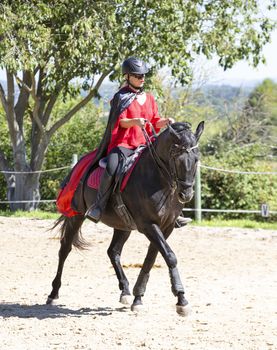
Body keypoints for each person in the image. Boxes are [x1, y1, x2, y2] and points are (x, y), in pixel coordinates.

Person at [86, 57, 191, 227]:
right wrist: (135, 121)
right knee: (112, 168)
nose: (142, 78)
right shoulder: (120, 97)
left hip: (146, 145)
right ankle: (98, 206)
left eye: (143, 75)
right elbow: (119, 122)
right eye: (137, 76)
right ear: (127, 76)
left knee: (169, 167)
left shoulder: (149, 98)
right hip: (124, 145)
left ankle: (174, 211)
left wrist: (165, 121)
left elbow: (155, 121)